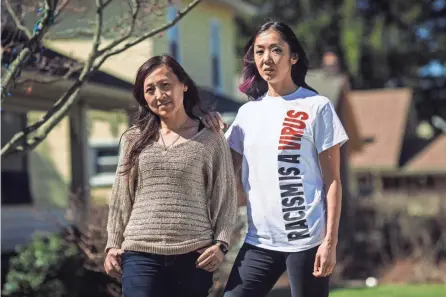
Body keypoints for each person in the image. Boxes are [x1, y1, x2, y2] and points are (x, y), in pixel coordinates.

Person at [201, 21, 349, 297]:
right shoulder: (248, 113)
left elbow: (333, 182)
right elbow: (223, 174)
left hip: (307, 240)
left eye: (275, 50)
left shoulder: (317, 107)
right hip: (260, 241)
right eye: (259, 51)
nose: (266, 59)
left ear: (293, 57)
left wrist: (330, 241)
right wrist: (211, 133)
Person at [104, 54, 237, 297]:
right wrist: (113, 244)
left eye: (166, 85)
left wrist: (221, 244)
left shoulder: (210, 137)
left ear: (183, 85)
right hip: (140, 253)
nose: (159, 95)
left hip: (193, 256)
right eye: (150, 89)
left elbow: (225, 196)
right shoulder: (133, 139)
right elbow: (121, 195)